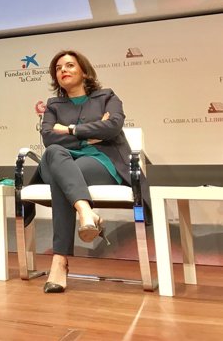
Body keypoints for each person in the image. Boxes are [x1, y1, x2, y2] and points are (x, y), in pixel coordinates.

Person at [32, 50, 148, 293]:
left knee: (63, 179)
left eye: (70, 65)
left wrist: (71, 130)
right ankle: (85, 211)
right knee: (53, 153)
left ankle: (59, 261)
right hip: (60, 159)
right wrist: (91, 134)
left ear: (83, 71)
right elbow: (48, 138)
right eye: (58, 68)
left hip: (101, 162)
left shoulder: (107, 97)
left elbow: (113, 127)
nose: (63, 70)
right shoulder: (53, 105)